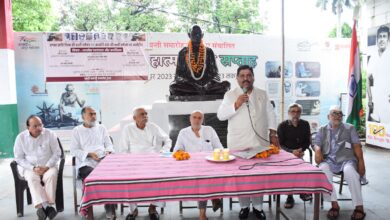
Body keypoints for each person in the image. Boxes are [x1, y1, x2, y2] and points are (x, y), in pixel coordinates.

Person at [217, 65, 278, 220]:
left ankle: (258, 207)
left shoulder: (262, 94)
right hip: (239, 142)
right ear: (237, 78)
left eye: (249, 75)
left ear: (253, 77)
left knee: (259, 176)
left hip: (260, 142)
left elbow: (270, 114)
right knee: (241, 177)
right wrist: (236, 104)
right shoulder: (230, 95)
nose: (246, 78)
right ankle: (244, 206)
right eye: (242, 75)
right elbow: (221, 115)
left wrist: (273, 133)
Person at [313, 105, 366, 220]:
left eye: (340, 114)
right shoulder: (322, 129)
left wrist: (361, 163)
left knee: (350, 172)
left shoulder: (349, 128)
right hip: (329, 159)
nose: (337, 116)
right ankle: (334, 204)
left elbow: (357, 146)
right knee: (322, 170)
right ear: (328, 116)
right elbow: (316, 142)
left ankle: (359, 206)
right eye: (334, 113)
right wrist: (317, 150)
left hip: (347, 160)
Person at [120, 107, 172, 220]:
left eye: (146, 114)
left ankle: (153, 208)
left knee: (161, 179)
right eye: (142, 114)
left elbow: (168, 140)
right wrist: (128, 163)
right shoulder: (127, 129)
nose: (145, 116)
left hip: (153, 161)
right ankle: (133, 210)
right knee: (129, 180)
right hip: (134, 162)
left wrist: (163, 151)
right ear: (134, 118)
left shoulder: (153, 127)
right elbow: (124, 150)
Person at [173, 110, 223, 220]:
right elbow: (177, 150)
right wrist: (181, 153)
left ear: (203, 120)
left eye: (200, 118)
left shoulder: (209, 130)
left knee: (205, 178)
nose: (197, 120)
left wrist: (218, 157)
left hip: (210, 164)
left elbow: (219, 147)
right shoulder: (183, 132)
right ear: (190, 119)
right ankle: (213, 200)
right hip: (191, 166)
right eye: (194, 117)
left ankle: (209, 204)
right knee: (202, 180)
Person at [70, 106, 115, 219]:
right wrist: (89, 154)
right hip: (86, 162)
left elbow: (109, 144)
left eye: (95, 114)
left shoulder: (102, 128)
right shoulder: (77, 130)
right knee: (94, 176)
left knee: (109, 176)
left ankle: (109, 206)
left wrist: (108, 152)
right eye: (91, 114)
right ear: (83, 116)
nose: (94, 117)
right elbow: (74, 150)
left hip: (102, 160)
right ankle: (87, 209)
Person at [14, 115, 62, 220]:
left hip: (49, 166)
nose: (39, 128)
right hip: (30, 168)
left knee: (51, 176)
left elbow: (57, 153)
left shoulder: (50, 134)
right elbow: (19, 158)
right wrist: (33, 168)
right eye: (35, 126)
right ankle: (47, 207)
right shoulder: (20, 138)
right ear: (28, 127)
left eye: (40, 125)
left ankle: (42, 208)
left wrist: (47, 166)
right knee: (32, 178)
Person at [169, 25, 230, 98]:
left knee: (226, 85)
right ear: (189, 35)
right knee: (173, 87)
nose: (197, 36)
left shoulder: (208, 51)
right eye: (194, 34)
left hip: (207, 86)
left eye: (199, 34)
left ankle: (199, 92)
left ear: (202, 35)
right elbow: (178, 76)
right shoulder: (183, 52)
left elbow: (215, 75)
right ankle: (201, 92)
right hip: (190, 86)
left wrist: (206, 85)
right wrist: (193, 84)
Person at [277, 103, 312, 209]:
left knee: (302, 167)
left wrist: (302, 149)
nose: (295, 114)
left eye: (298, 112)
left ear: (300, 113)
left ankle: (302, 191)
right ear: (288, 113)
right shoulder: (282, 126)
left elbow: (307, 141)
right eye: (293, 111)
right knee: (291, 168)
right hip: (285, 155)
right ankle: (290, 196)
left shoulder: (305, 124)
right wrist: (292, 152)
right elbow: (280, 145)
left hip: (300, 154)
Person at [367, 25, 390, 123]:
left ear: (388, 39)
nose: (381, 39)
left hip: (387, 100)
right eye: (380, 37)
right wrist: (370, 98)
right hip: (375, 100)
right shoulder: (373, 57)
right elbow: (368, 78)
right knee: (377, 130)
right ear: (377, 39)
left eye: (384, 36)